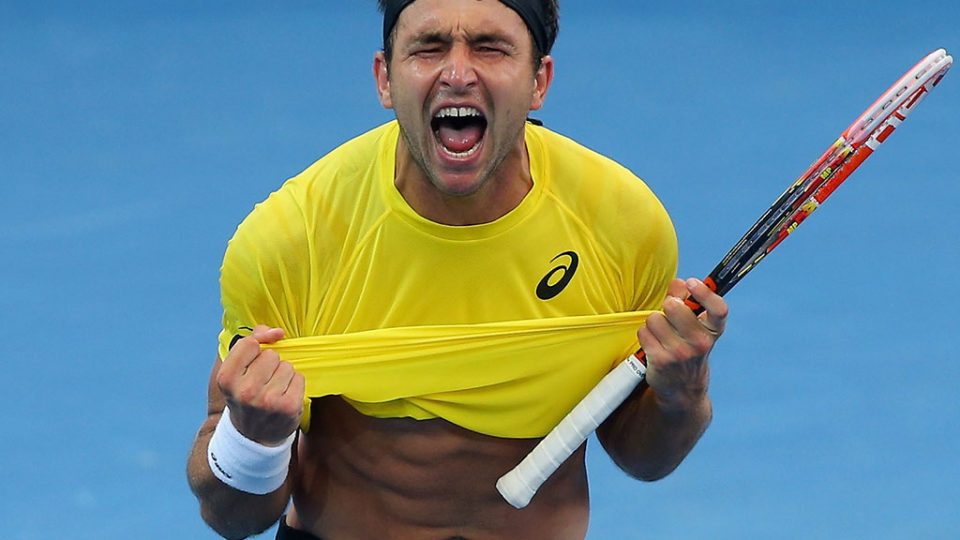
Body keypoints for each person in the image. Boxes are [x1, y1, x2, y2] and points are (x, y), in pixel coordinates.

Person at [186, 1, 728, 539]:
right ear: (384, 79)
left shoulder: (622, 225)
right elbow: (233, 516)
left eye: (490, 47)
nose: (458, 73)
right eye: (430, 47)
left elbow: (644, 458)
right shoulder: (292, 240)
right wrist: (254, 441)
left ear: (540, 80)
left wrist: (682, 389)